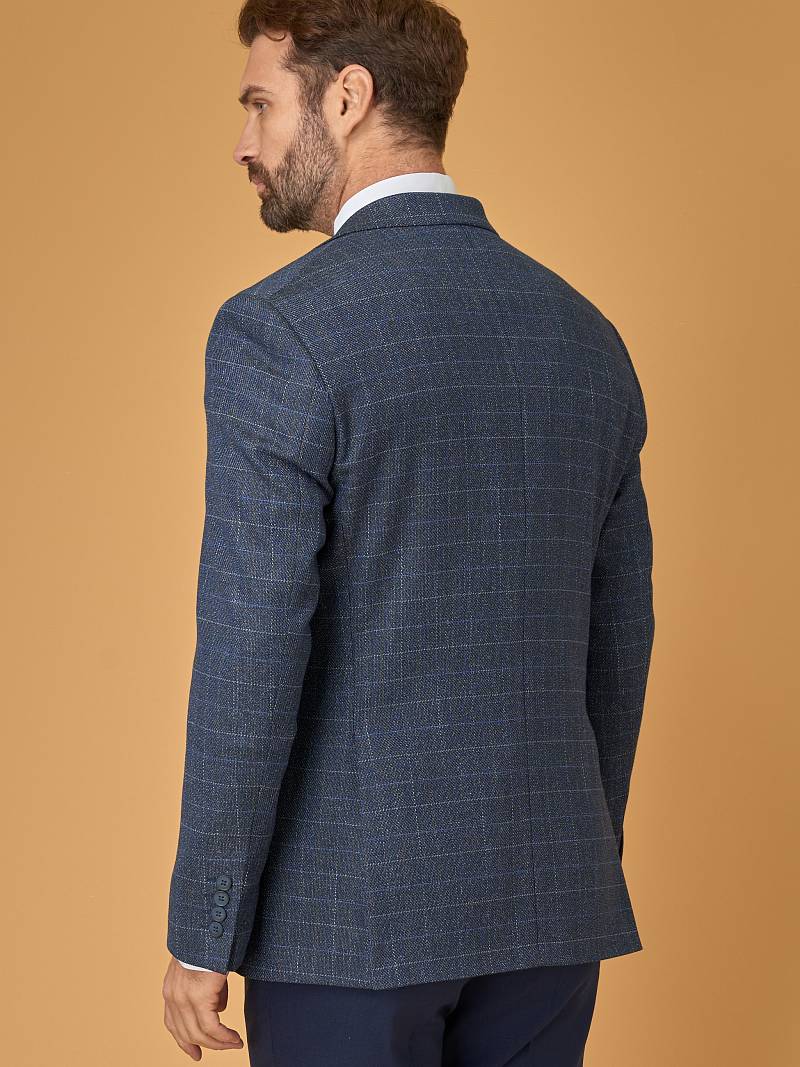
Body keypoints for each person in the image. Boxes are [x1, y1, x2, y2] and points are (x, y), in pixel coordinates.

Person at [162, 1, 656, 1063]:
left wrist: (205, 927)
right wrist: (570, 851)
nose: (244, 142)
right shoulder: (584, 335)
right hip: (548, 901)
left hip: (348, 918)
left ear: (347, 98)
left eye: (260, 104)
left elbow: (252, 647)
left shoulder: (278, 330)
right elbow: (619, 636)